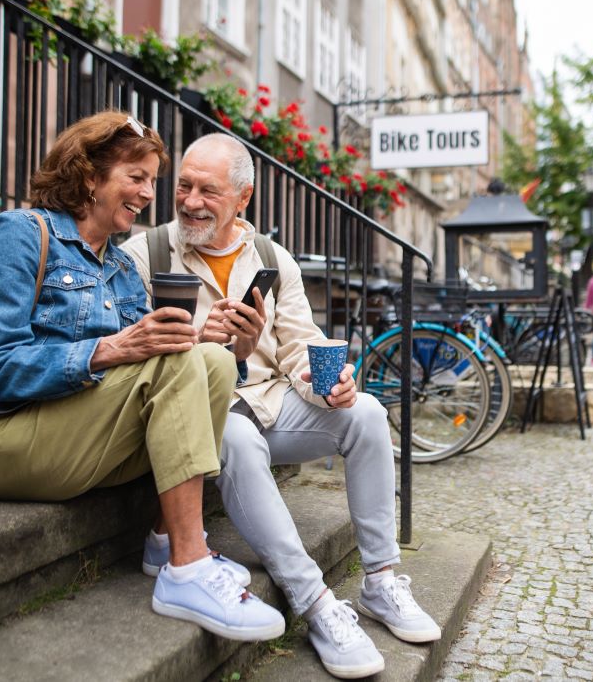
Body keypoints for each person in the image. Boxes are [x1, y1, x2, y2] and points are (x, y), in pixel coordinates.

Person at [0, 112, 284, 642]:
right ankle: (188, 568)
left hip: (76, 430)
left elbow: (154, 372)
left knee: (213, 360)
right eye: (137, 177)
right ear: (88, 176)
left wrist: (221, 340)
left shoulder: (123, 267)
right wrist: (110, 349)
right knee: (180, 360)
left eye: (153, 180)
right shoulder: (19, 235)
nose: (150, 193)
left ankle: (163, 537)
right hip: (3, 434)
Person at [121, 132, 440, 680]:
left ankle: (381, 580)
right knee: (237, 436)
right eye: (185, 186)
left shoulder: (271, 258)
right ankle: (315, 604)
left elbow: (299, 348)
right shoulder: (142, 254)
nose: (191, 200)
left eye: (209, 190)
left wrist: (332, 383)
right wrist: (206, 340)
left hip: (270, 404)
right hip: (202, 417)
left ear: (242, 198)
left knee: (364, 411)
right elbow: (133, 357)